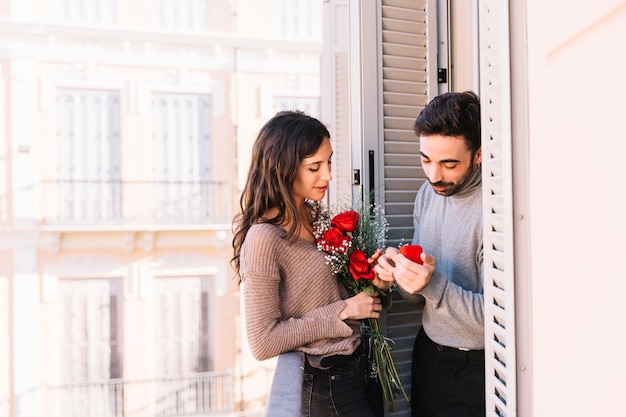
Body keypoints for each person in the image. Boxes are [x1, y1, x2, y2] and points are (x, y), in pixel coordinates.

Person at [231, 110, 390, 417]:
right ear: (284, 169)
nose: (328, 175)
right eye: (315, 167)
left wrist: (373, 284)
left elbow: (335, 294)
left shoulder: (315, 217)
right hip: (329, 385)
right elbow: (263, 342)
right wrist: (344, 310)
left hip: (360, 368)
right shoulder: (265, 238)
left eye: (329, 162)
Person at [374, 91, 485, 417]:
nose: (434, 176)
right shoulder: (427, 194)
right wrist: (402, 275)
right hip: (429, 354)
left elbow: (497, 323)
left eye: (449, 164)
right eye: (425, 159)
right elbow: (418, 300)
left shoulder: (496, 209)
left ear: (478, 155)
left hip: (475, 369)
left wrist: (433, 285)